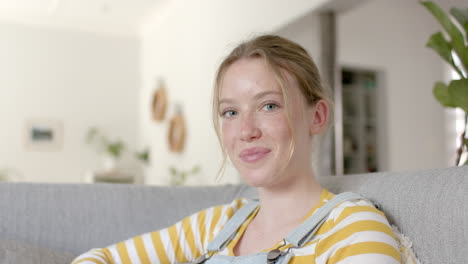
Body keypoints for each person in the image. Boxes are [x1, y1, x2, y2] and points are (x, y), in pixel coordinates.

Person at [71, 35, 401, 264]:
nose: (245, 131)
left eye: (269, 106)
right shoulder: (215, 225)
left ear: (317, 117)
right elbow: (102, 258)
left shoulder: (353, 228)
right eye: (230, 112)